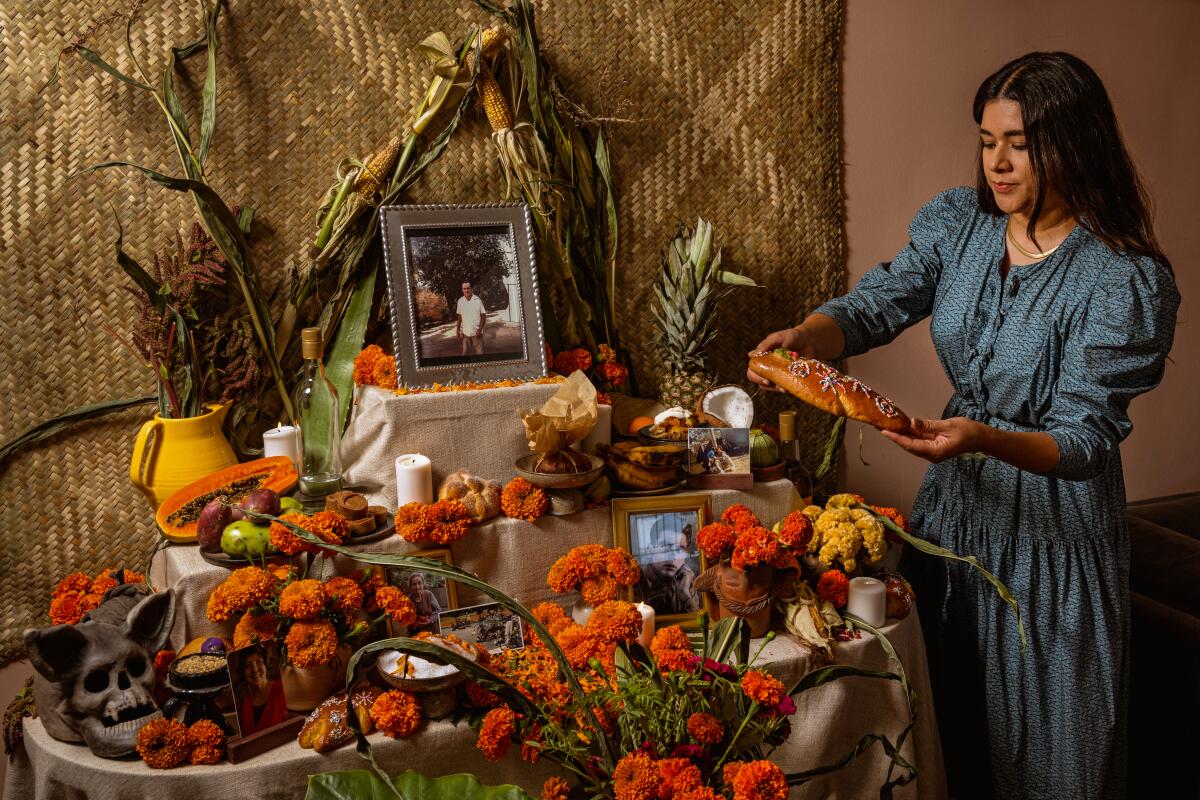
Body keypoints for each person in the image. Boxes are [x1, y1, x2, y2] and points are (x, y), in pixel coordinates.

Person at [748, 52, 1178, 800]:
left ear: (1074, 144)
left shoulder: (1121, 278)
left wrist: (978, 436)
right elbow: (875, 304)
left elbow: (1083, 439)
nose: (998, 163)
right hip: (952, 523)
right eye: (987, 141)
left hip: (1053, 541)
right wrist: (805, 340)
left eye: (1019, 142)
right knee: (944, 729)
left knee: (1049, 755)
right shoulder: (963, 225)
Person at [639, 522, 700, 615]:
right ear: (650, 549)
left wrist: (685, 594)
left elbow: (696, 624)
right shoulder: (633, 581)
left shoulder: (685, 579)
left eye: (680, 549)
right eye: (666, 546)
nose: (673, 557)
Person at [235, 648, 288, 735]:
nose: (255, 669)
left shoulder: (281, 688)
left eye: (259, 662)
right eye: (248, 665)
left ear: (266, 666)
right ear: (243, 673)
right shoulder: (245, 702)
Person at [455, 280, 487, 356]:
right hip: (466, 334)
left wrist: (479, 330)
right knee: (465, 354)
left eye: (468, 288)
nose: (466, 290)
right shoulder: (460, 301)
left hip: (477, 334)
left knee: (480, 355)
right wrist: (458, 330)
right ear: (462, 290)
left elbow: (483, 315)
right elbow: (459, 316)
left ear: (471, 289)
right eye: (464, 288)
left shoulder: (477, 300)